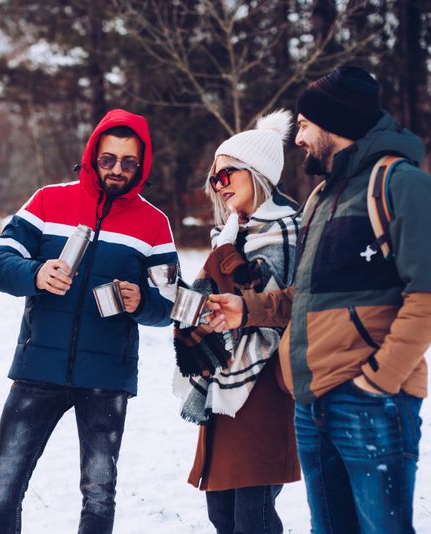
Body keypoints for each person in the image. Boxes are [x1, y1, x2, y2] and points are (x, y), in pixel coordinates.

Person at [206, 66, 431, 534]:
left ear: (333, 123)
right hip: (311, 401)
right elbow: (303, 294)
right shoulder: (323, 197)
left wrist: (380, 381)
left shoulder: (404, 186)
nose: (298, 136)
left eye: (304, 124)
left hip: (370, 402)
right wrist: (248, 309)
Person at [0, 109, 178, 534]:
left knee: (99, 491)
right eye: (109, 159)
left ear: (141, 165)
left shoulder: (154, 224)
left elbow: (171, 302)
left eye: (129, 162)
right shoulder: (49, 201)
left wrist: (142, 300)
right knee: (4, 486)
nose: (117, 170)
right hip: (38, 369)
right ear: (92, 155)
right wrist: (35, 273)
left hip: (106, 378)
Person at [172, 110, 301, 534]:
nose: (219, 185)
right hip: (223, 381)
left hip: (267, 382)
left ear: (257, 173)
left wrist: (225, 259)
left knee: (254, 513)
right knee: (221, 513)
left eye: (227, 174)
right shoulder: (229, 234)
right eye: (215, 178)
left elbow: (272, 299)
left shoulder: (289, 228)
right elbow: (202, 300)